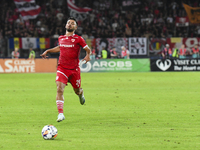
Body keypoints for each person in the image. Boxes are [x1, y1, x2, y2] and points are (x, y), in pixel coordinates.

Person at [40, 17, 91, 122]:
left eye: (72, 23)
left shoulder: (78, 39)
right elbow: (60, 47)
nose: (70, 24)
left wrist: (88, 55)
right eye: (68, 23)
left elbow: (87, 48)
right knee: (59, 89)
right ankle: (61, 114)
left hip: (74, 69)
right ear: (65, 25)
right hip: (62, 67)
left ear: (75, 27)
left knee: (77, 90)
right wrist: (48, 51)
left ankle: (81, 94)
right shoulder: (61, 38)